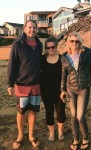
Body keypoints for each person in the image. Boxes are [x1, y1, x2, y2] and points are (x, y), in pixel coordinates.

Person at [7, 20, 43, 149]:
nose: (32, 30)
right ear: (24, 28)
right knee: (21, 112)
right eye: (29, 27)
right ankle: (20, 135)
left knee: (33, 111)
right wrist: (10, 84)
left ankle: (31, 135)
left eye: (34, 27)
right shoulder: (17, 45)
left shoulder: (39, 45)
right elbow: (12, 65)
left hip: (36, 84)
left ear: (36, 29)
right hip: (21, 84)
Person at [60, 32, 91, 150]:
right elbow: (63, 76)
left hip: (83, 89)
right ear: (68, 43)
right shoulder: (64, 56)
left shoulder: (87, 52)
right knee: (73, 115)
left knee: (80, 116)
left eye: (77, 41)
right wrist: (62, 90)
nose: (74, 43)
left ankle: (85, 138)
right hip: (71, 89)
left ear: (80, 42)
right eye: (72, 41)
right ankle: (76, 139)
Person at [40, 36, 66, 141]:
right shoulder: (42, 59)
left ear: (56, 46)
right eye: (48, 47)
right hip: (45, 91)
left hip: (60, 91)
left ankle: (60, 131)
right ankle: (51, 132)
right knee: (49, 112)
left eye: (53, 47)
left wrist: (65, 89)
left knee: (61, 112)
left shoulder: (62, 58)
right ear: (46, 48)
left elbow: (69, 72)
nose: (51, 49)